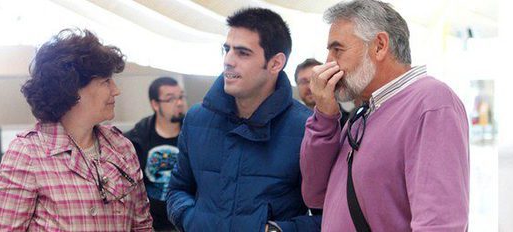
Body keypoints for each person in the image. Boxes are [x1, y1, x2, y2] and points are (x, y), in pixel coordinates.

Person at [300, 0, 470, 230]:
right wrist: (324, 116)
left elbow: (439, 223)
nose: (328, 62)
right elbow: (315, 194)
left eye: (337, 49)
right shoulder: (364, 114)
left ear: (379, 45)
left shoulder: (431, 101)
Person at [166, 8, 320, 232]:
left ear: (276, 63)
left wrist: (278, 230)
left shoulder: (306, 128)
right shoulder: (197, 119)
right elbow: (177, 189)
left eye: (243, 53)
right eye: (226, 50)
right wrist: (192, 219)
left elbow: (331, 214)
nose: (228, 61)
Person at [0, 28, 152, 231]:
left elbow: (142, 226)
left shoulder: (121, 147)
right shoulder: (28, 153)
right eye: (106, 81)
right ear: (72, 89)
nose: (116, 90)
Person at [125, 76, 187, 231]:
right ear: (155, 104)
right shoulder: (135, 139)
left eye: (180, 97)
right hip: (151, 224)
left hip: (187, 221)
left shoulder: (194, 134)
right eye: (170, 99)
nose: (179, 103)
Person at [295, 58, 350, 124]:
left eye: (315, 80)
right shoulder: (293, 122)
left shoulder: (349, 124)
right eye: (304, 82)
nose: (310, 87)